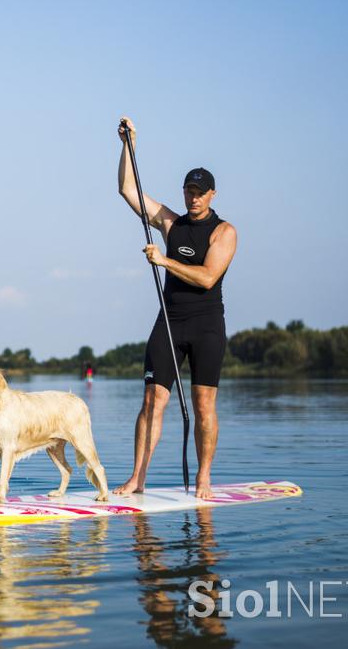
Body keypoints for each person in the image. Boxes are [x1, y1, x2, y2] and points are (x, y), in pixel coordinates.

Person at [112, 117, 237, 500]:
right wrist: (128, 143)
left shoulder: (224, 232)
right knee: (152, 400)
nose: (193, 197)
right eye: (189, 190)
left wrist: (165, 262)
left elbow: (207, 278)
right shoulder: (171, 222)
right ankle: (137, 478)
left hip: (206, 326)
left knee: (203, 405)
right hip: (169, 322)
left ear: (212, 194)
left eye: (200, 192)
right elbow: (127, 189)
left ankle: (203, 478)